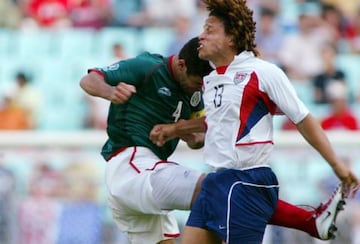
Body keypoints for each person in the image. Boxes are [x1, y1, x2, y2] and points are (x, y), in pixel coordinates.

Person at [80, 37, 355, 244]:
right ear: (182, 65)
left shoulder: (200, 91)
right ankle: (310, 221)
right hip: (130, 166)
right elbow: (89, 79)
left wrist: (186, 133)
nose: (201, 88)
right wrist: (110, 91)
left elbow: (199, 140)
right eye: (197, 82)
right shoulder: (149, 66)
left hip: (150, 177)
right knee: (218, 187)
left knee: (220, 192)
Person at [149, 1, 360, 243]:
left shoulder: (262, 72)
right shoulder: (212, 79)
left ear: (231, 39)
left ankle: (310, 221)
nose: (201, 36)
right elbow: (218, 122)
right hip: (215, 181)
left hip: (245, 181)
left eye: (209, 30)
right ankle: (310, 221)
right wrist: (176, 129)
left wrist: (337, 166)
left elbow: (303, 118)